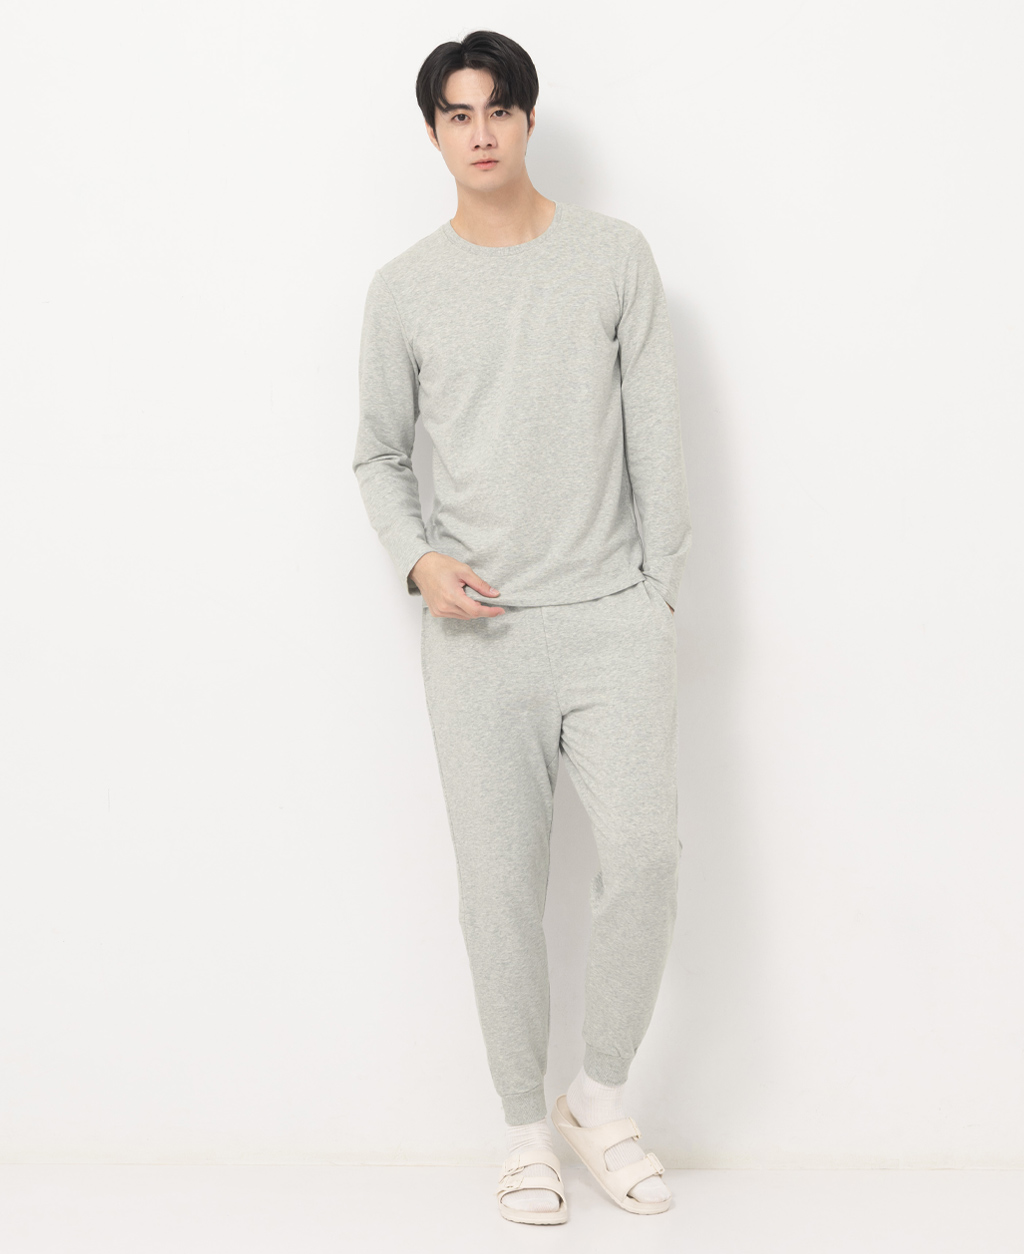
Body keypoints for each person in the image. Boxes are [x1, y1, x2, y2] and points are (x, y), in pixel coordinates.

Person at [352, 29, 693, 1225]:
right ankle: (521, 1133)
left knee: (644, 857)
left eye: (497, 109)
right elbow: (377, 454)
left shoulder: (613, 258)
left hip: (609, 622)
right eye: (457, 114)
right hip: (478, 639)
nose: (480, 132)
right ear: (433, 133)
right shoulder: (404, 287)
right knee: (497, 893)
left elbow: (658, 433)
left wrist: (656, 594)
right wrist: (418, 560)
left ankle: (597, 1100)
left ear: (529, 119)